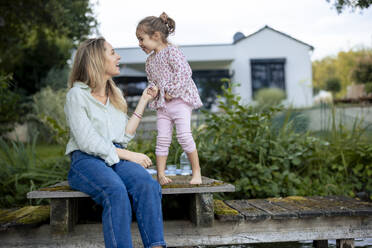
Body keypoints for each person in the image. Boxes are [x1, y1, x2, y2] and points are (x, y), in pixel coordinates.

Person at [64, 37, 166, 248]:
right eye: (112, 53)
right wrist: (130, 156)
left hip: (116, 156)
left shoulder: (115, 94)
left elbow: (123, 136)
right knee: (115, 191)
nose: (118, 56)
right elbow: (87, 141)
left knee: (147, 184)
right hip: (86, 161)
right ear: (96, 60)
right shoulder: (77, 95)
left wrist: (144, 101)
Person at [136, 12, 203, 185]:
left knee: (184, 136)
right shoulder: (149, 61)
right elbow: (152, 81)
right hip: (163, 105)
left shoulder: (173, 52)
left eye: (142, 39)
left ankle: (197, 172)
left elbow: (185, 72)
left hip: (180, 101)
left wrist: (172, 91)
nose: (139, 44)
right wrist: (153, 90)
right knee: (163, 138)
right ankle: (160, 175)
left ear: (156, 36)